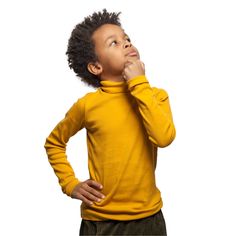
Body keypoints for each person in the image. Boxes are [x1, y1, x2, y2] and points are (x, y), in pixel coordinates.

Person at [44, 9, 176, 235]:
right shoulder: (88, 105)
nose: (125, 43)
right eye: (113, 43)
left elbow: (163, 138)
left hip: (149, 219)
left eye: (127, 39)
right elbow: (54, 142)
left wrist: (139, 85)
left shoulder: (154, 96)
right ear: (96, 67)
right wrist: (70, 184)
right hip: (101, 221)